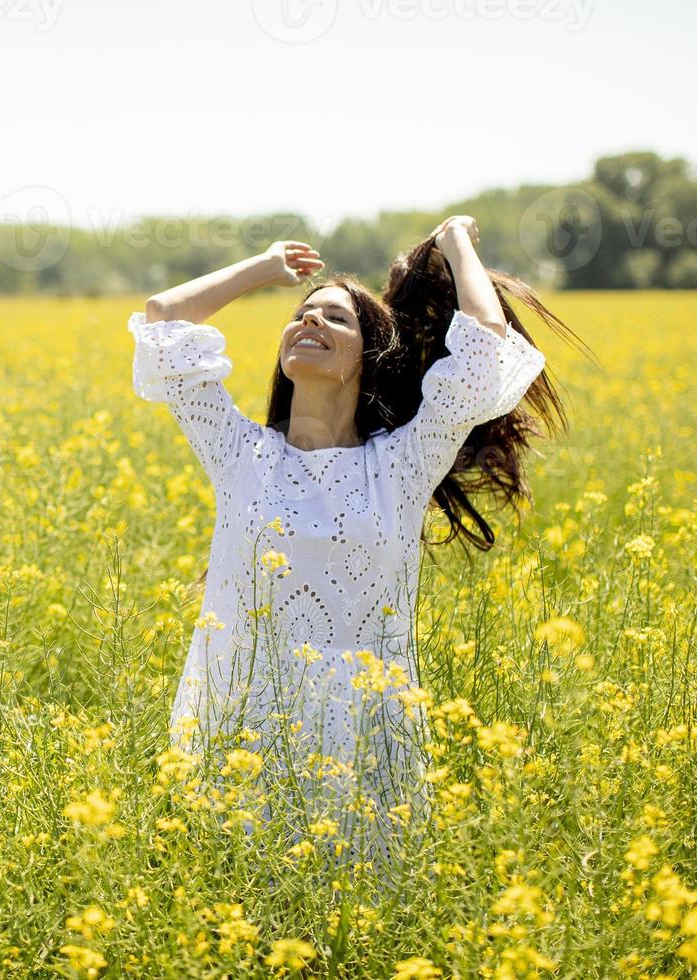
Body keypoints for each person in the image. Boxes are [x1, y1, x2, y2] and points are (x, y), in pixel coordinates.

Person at [129, 216, 573, 870]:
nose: (310, 323)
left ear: (369, 359)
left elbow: (483, 347)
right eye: (302, 315)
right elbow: (164, 317)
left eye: (336, 321)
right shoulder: (238, 452)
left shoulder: (403, 464)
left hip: (366, 729)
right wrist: (265, 267)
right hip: (244, 713)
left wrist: (452, 242)